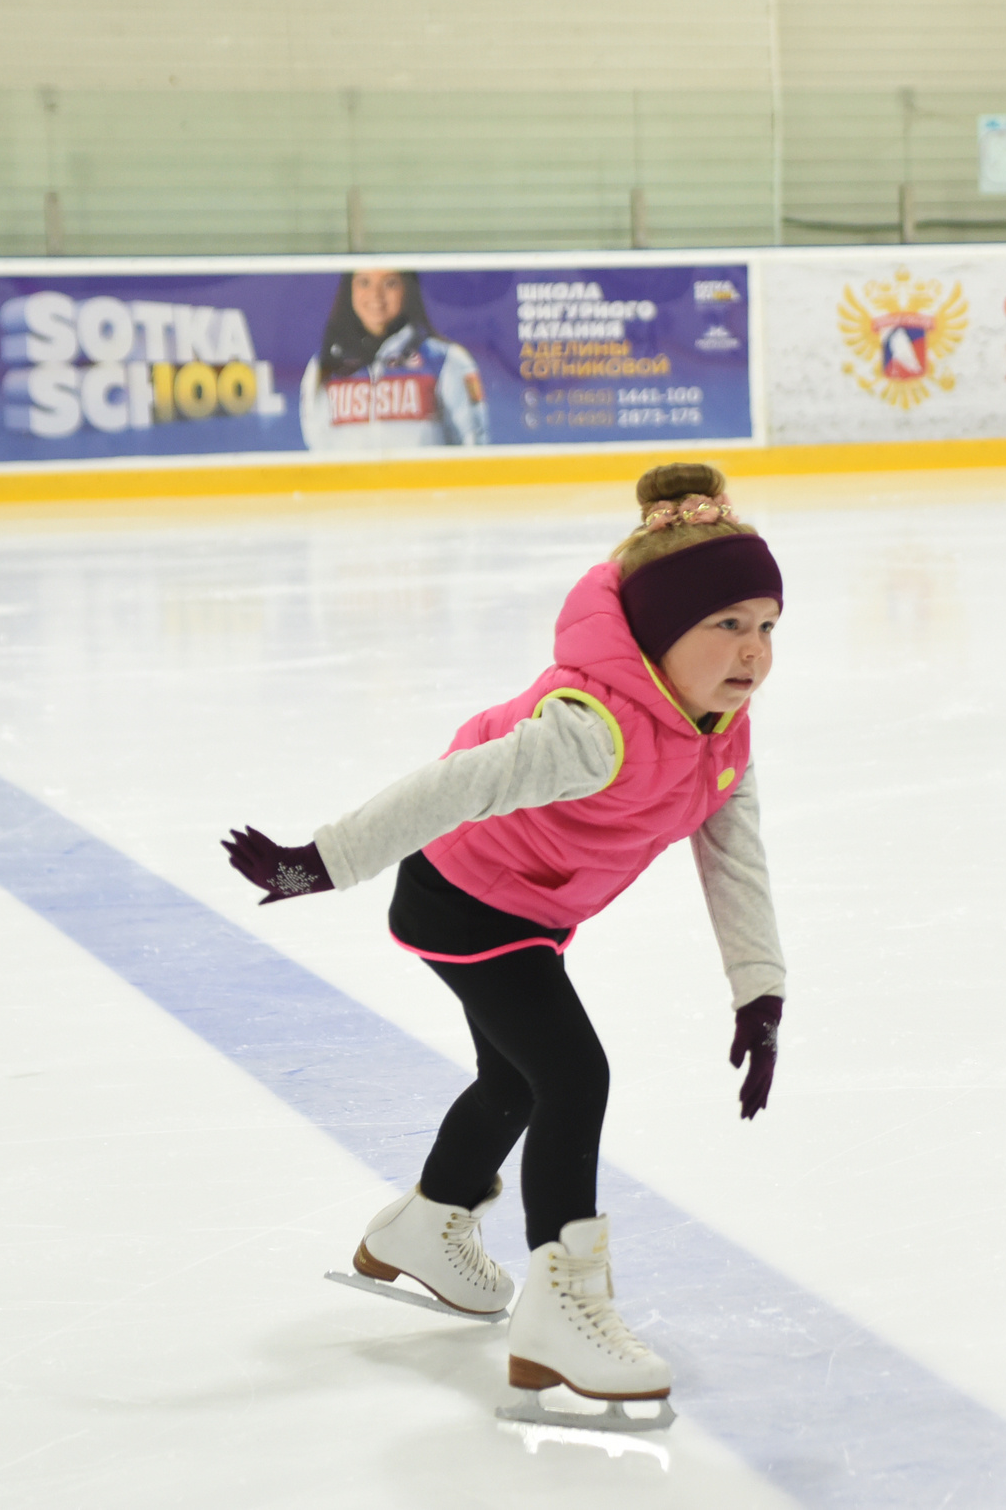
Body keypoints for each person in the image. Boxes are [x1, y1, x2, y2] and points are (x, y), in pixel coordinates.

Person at [220, 463, 785, 1429]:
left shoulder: (719, 732)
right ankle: (562, 1312)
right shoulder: (591, 729)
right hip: (464, 900)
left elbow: (734, 853)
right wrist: (321, 862)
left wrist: (759, 988)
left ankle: (427, 1224)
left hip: (531, 908)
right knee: (573, 1074)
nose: (753, 650)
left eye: (767, 625)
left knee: (518, 1080)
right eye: (726, 623)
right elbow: (452, 784)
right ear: (658, 634)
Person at [300, 268, 490, 452]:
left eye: (390, 283)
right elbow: (318, 444)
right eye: (364, 283)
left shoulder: (445, 360)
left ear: (408, 288)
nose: (376, 295)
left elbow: (473, 443)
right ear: (349, 289)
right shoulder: (323, 365)